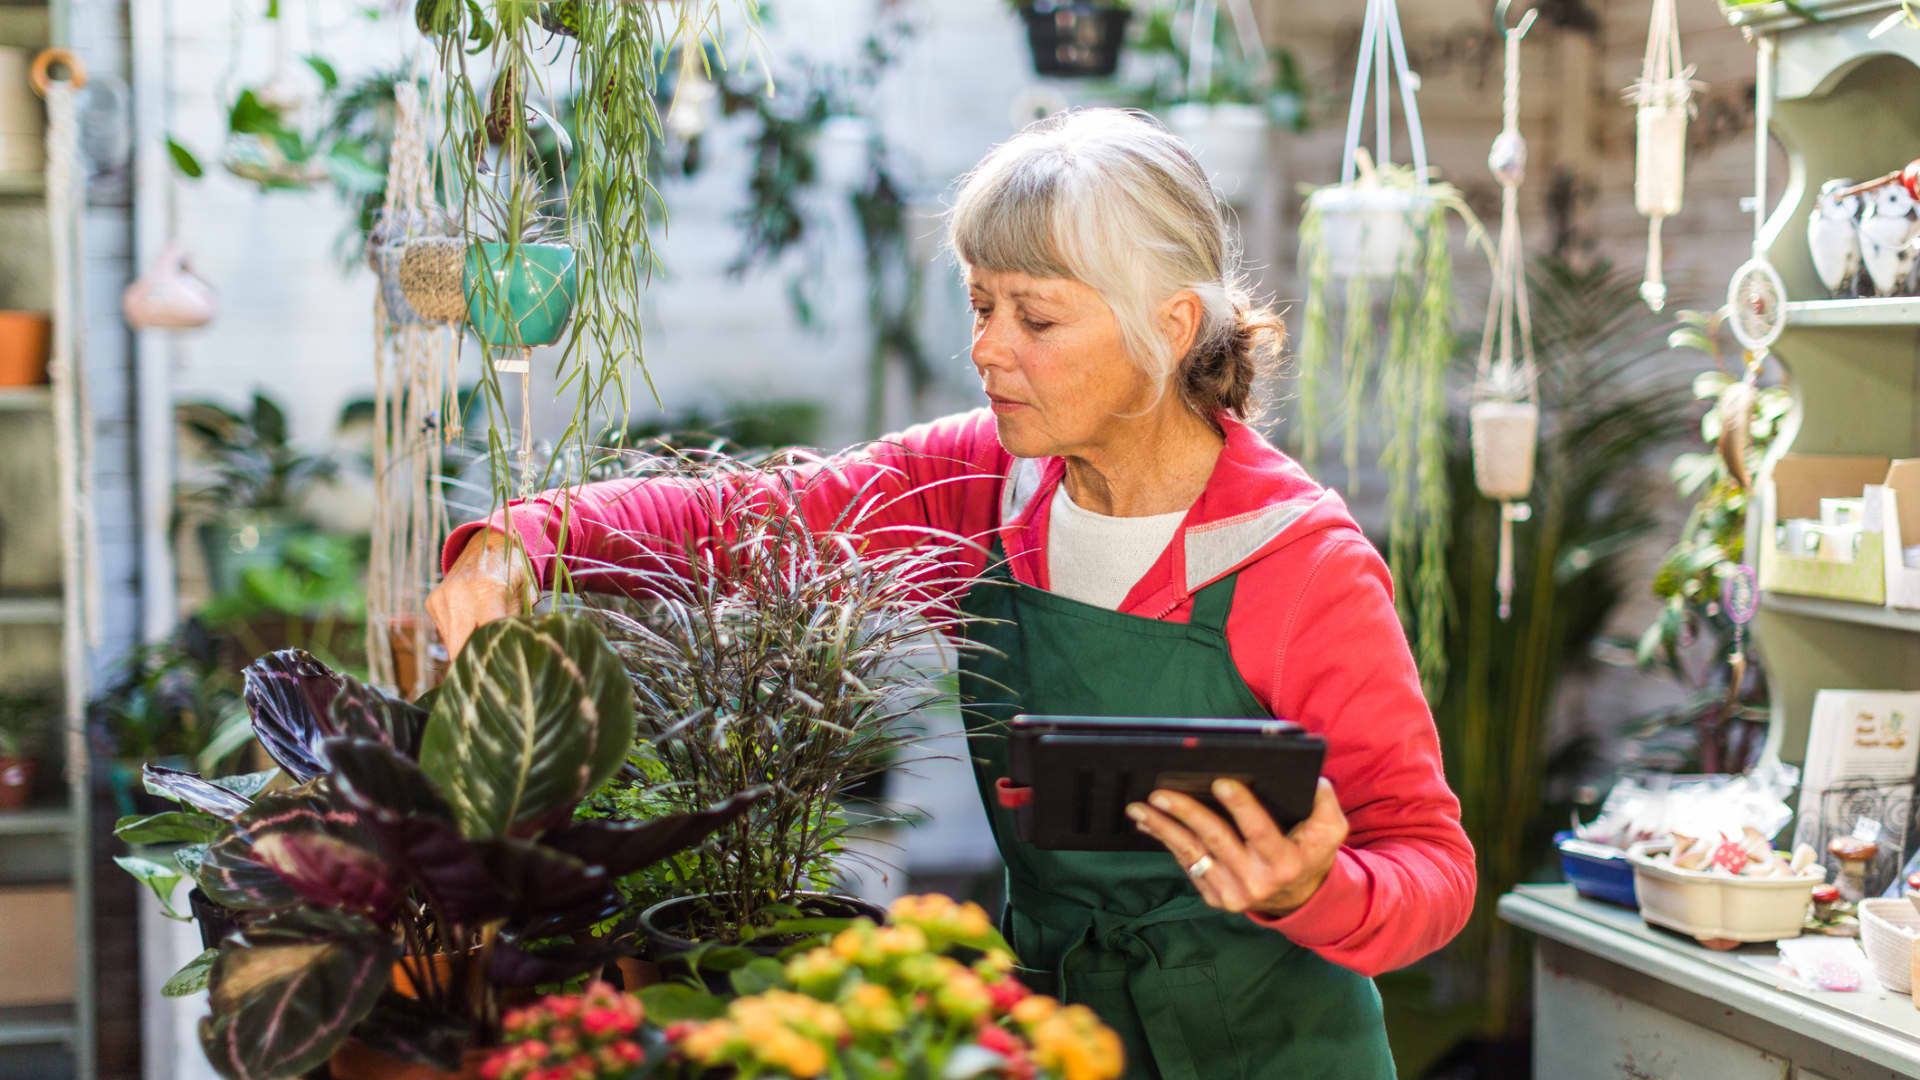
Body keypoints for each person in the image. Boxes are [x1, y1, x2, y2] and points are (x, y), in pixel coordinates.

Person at [429, 108, 1474, 1079]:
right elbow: (750, 518)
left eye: (1036, 318)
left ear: (1170, 323)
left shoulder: (1298, 561)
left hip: (1272, 1048)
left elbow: (1430, 865)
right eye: (981, 305)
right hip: (1058, 1034)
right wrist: (522, 542)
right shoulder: (984, 485)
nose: (986, 349)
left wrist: (1314, 890)